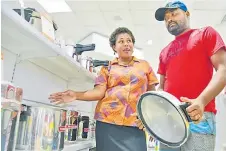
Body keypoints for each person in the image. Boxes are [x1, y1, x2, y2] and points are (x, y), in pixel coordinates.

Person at [49, 27, 159, 151]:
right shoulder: (107, 68)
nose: (126, 44)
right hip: (107, 122)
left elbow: (151, 95)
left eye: (129, 41)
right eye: (121, 41)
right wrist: (76, 95)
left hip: (135, 122)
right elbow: (99, 92)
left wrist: (151, 120)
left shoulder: (144, 65)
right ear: (114, 47)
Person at [154, 0, 226, 150]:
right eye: (166, 18)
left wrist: (201, 100)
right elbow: (162, 88)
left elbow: (223, 69)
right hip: (170, 120)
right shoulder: (164, 52)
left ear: (187, 13)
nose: (169, 19)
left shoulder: (205, 34)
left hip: (198, 115)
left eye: (174, 14)